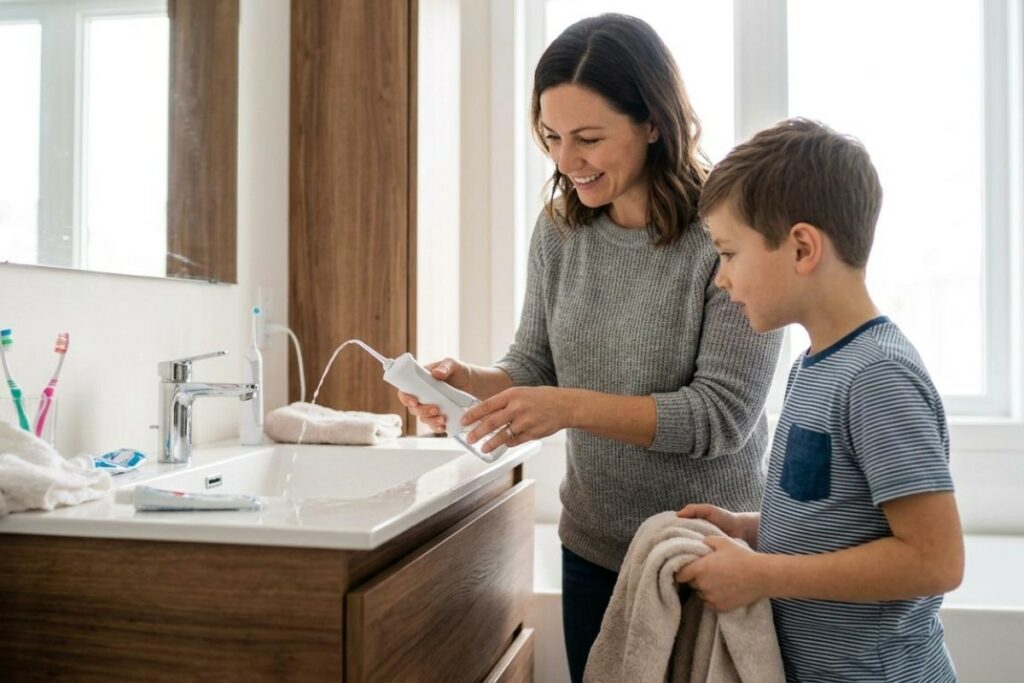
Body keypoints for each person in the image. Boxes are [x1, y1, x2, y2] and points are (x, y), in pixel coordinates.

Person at [397, 14, 781, 681]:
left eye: (589, 138)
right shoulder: (559, 233)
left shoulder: (725, 233)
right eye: (550, 136)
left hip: (709, 552)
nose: (565, 161)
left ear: (653, 123)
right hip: (594, 552)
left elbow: (721, 416)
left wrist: (567, 407)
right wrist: (469, 385)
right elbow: (533, 365)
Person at [676, 118, 964, 681]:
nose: (721, 279)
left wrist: (762, 575)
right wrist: (749, 528)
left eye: (730, 253)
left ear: (803, 247)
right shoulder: (814, 365)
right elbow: (837, 515)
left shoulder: (877, 377)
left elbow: (935, 560)